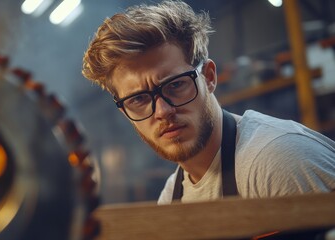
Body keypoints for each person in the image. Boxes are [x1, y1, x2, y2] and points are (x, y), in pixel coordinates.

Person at [81, 0, 335, 205]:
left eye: (176, 84)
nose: (163, 111)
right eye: (138, 99)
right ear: (125, 111)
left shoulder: (278, 162)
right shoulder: (171, 199)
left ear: (209, 77)